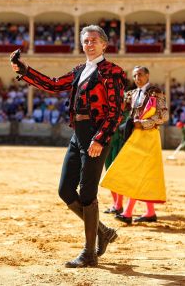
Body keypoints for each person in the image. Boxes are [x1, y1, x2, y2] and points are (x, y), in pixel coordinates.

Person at [10, 25, 126, 268]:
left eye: (94, 40)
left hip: (96, 135)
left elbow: (115, 112)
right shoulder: (80, 70)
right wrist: (25, 70)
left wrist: (100, 138)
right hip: (78, 134)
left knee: (87, 194)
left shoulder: (112, 72)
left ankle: (89, 253)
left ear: (104, 45)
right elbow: (53, 84)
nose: (89, 44)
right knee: (65, 190)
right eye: (86, 41)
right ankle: (102, 232)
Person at [100, 66, 169, 224]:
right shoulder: (133, 93)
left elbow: (164, 115)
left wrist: (143, 123)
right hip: (135, 136)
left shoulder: (155, 92)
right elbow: (116, 103)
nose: (137, 78)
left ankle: (128, 212)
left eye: (140, 75)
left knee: (136, 173)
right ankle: (150, 212)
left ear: (147, 75)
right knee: (142, 173)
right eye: (135, 75)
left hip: (149, 136)